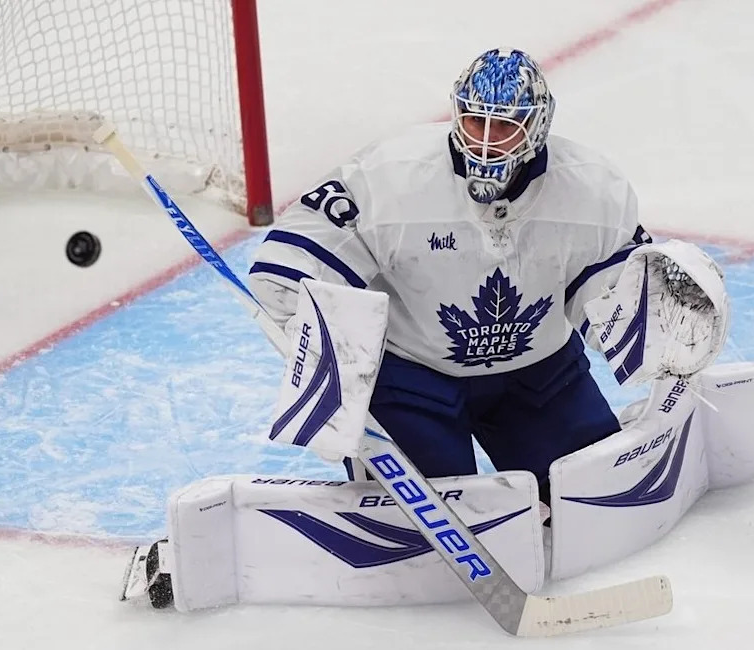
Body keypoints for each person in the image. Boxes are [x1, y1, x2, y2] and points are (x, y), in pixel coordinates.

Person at [248, 48, 654, 503]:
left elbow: (615, 283)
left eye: (503, 126)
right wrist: (321, 355)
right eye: (475, 121)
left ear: (536, 128)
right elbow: (301, 255)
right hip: (413, 381)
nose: (485, 140)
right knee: (424, 511)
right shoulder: (393, 176)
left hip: (539, 378)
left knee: (596, 491)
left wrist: (656, 330)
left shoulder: (592, 188)